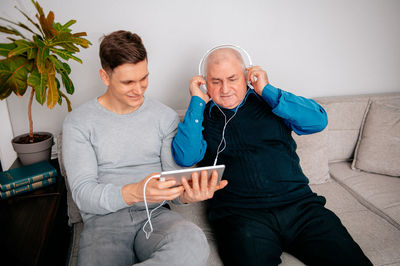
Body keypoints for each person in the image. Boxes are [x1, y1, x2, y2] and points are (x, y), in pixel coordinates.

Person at [172, 47, 372, 266]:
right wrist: (197, 101)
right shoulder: (201, 117)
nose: (225, 89)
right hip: (241, 217)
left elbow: (317, 121)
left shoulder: (273, 102)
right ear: (205, 83)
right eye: (216, 81)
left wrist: (266, 89)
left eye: (232, 78)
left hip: (300, 208)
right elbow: (185, 157)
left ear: (247, 76)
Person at [62, 30, 227, 266]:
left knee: (193, 241)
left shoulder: (164, 117)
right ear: (105, 77)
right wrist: (134, 192)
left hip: (155, 217)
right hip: (103, 223)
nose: (139, 90)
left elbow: (175, 189)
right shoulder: (78, 123)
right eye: (128, 82)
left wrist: (187, 195)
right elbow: (83, 195)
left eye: (144, 79)